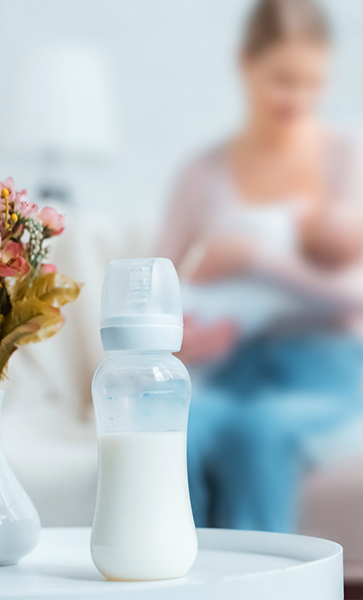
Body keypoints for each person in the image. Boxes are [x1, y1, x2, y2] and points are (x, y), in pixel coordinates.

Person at [157, 0, 363, 533]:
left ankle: (262, 576)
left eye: (313, 83)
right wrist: (172, 339)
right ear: (247, 64)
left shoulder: (344, 156)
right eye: (283, 80)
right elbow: (150, 289)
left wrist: (253, 259)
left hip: (325, 372)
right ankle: (174, 572)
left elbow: (353, 299)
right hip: (227, 371)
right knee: (174, 432)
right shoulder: (202, 175)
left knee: (259, 430)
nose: (299, 98)